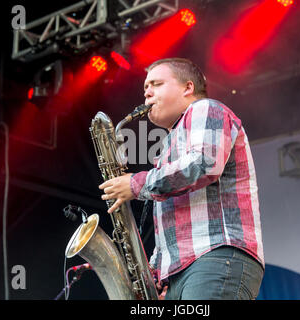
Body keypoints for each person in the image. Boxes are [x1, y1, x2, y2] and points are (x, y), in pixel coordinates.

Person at [99, 58, 264, 300]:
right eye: (145, 87)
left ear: (188, 88)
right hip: (184, 271)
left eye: (156, 84)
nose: (147, 93)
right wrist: (155, 272)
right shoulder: (169, 145)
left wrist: (136, 183)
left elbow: (204, 164)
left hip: (214, 256)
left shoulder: (206, 108)